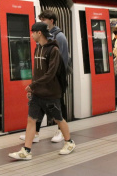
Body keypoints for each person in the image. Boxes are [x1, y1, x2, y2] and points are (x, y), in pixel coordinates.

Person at [9, 22, 75, 160]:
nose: (31, 35)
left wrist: (33, 85)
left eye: (33, 32)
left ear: (39, 33)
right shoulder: (37, 49)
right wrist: (33, 88)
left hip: (51, 94)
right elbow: (37, 73)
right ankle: (26, 151)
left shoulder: (53, 51)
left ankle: (69, 142)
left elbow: (50, 74)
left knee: (58, 119)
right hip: (38, 94)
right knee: (31, 120)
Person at [20, 10, 69, 143]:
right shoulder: (42, 42)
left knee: (58, 108)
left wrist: (55, 80)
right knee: (38, 108)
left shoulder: (59, 38)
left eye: (44, 20)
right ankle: (34, 134)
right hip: (44, 81)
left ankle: (62, 134)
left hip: (55, 80)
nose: (42, 22)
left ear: (51, 20)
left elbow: (63, 60)